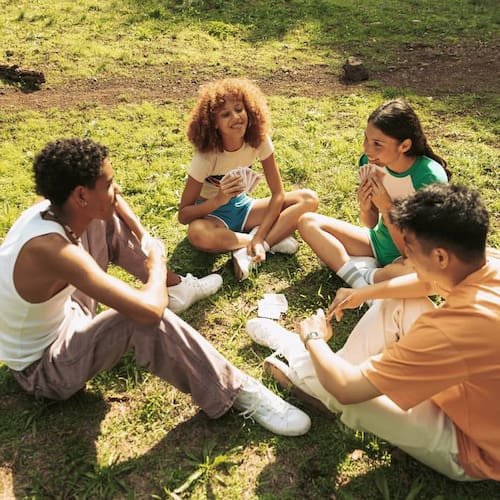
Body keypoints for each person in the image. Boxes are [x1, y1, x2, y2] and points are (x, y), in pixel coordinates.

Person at [0, 138, 311, 437]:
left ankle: (176, 290)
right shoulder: (50, 249)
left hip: (68, 314)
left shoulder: (56, 205)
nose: (116, 189)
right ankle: (238, 392)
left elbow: (116, 204)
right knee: (143, 318)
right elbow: (148, 312)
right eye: (108, 184)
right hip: (45, 368)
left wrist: (145, 238)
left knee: (103, 220)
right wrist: (156, 263)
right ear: (81, 195)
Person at [246, 183, 500, 480]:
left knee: (342, 392)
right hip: (473, 395)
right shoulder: (487, 261)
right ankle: (318, 374)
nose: (406, 260)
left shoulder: (452, 330)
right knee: (396, 301)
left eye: (411, 252)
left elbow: (347, 388)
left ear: (441, 257)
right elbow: (429, 283)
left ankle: (299, 360)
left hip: (474, 449)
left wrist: (313, 338)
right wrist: (365, 293)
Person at [298, 99, 451, 290]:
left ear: (404, 146)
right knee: (307, 222)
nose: (367, 150)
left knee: (423, 276)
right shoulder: (369, 163)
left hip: (411, 256)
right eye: (366, 140)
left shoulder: (429, 176)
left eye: (377, 144)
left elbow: (411, 251)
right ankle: (361, 282)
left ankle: (360, 272)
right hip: (375, 243)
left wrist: (387, 208)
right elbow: (370, 223)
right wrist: (365, 206)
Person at [179, 77, 318, 280]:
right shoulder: (206, 157)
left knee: (308, 199)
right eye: (225, 114)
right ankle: (265, 240)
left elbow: (278, 194)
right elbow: (184, 215)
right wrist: (218, 200)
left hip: (245, 208)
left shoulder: (258, 140)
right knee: (197, 233)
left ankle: (259, 244)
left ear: (249, 110)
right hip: (212, 217)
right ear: (213, 123)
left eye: (239, 109)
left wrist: (260, 237)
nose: (236, 117)